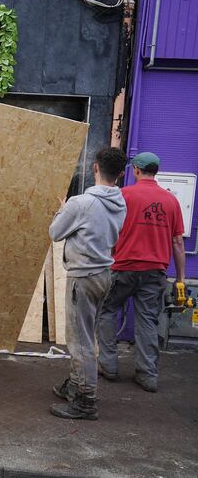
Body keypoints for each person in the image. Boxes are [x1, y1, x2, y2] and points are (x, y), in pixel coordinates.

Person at [47, 147, 128, 420]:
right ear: (120, 173)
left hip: (82, 277)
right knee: (87, 335)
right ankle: (75, 382)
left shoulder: (81, 203)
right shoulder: (120, 201)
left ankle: (85, 401)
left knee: (79, 340)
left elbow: (55, 233)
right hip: (104, 274)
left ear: (95, 168)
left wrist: (62, 211)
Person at [97, 152, 186, 394]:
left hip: (123, 268)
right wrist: (179, 279)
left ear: (136, 170)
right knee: (147, 320)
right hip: (154, 271)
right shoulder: (171, 201)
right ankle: (147, 375)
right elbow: (178, 243)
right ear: (155, 171)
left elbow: (108, 230)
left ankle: (108, 366)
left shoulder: (124, 195)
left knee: (106, 310)